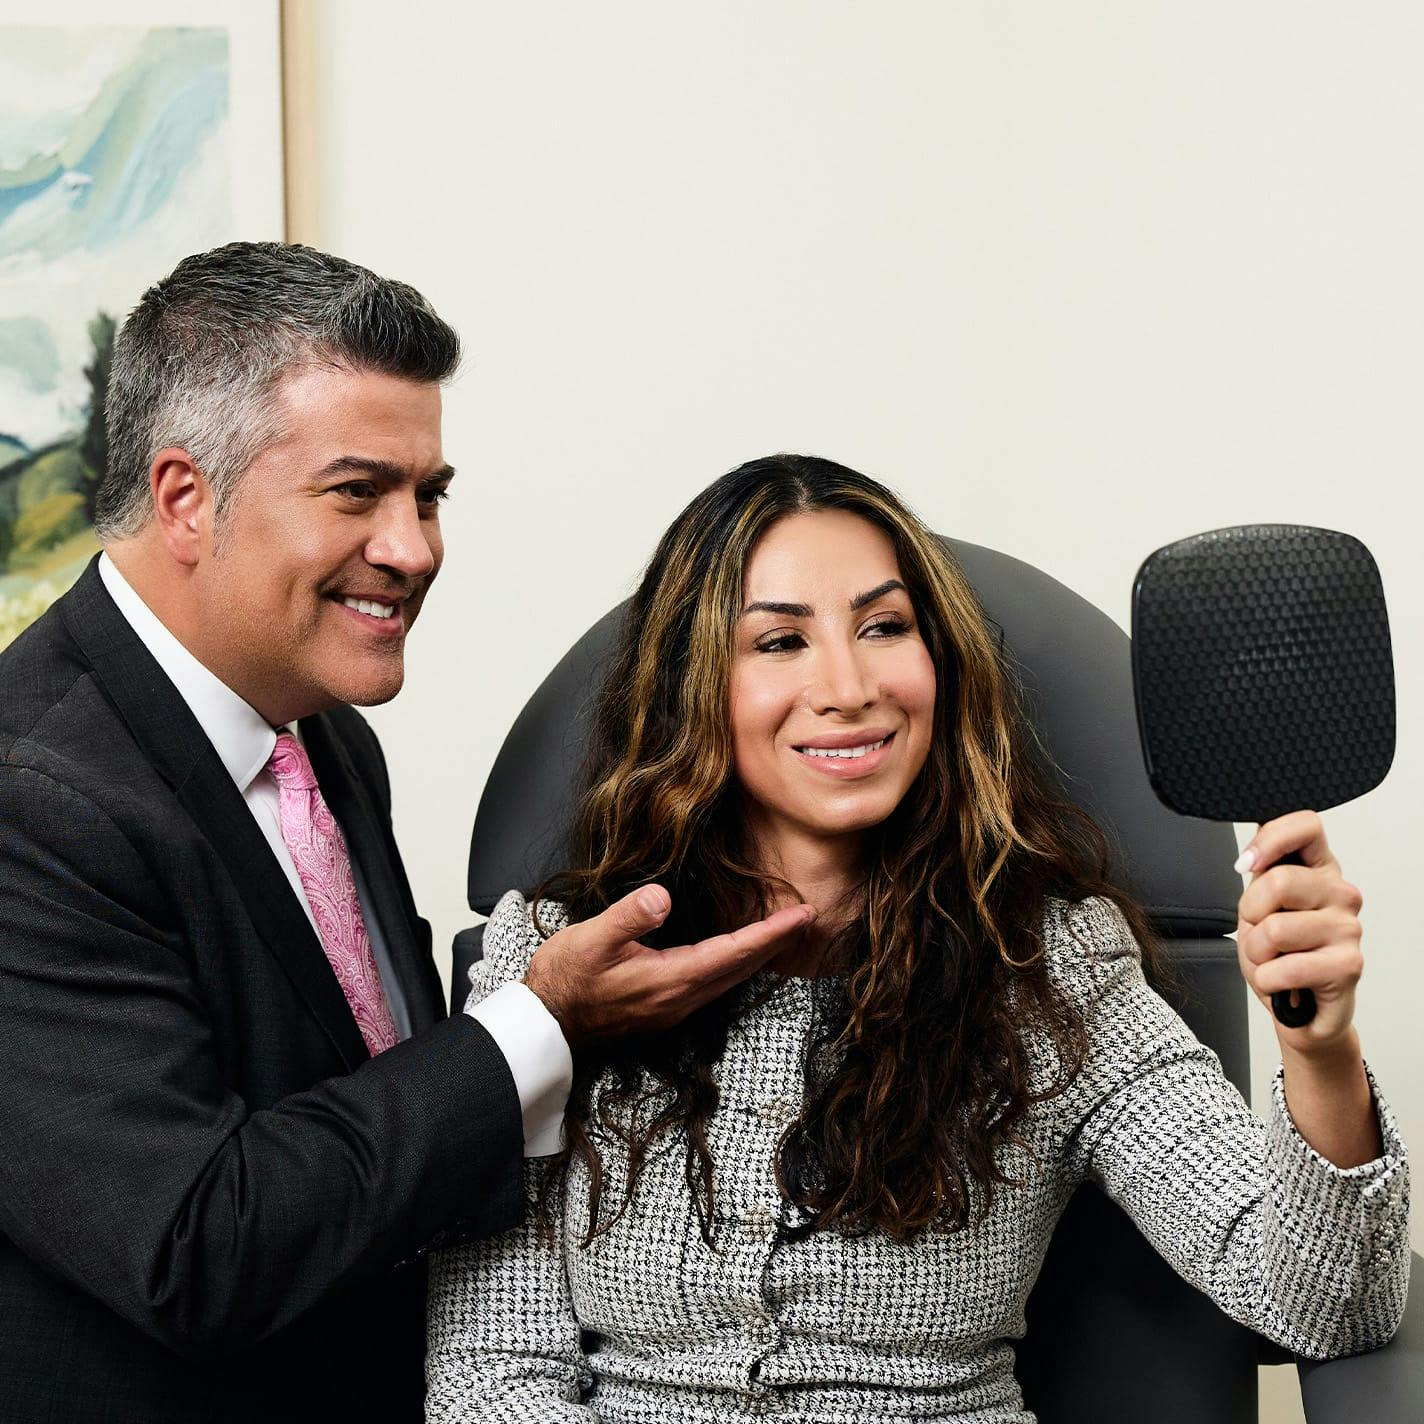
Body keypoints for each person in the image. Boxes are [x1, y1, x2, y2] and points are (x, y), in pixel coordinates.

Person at [0, 245, 812, 1422]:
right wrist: (540, 1018)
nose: (415, 546)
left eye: (428, 493)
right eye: (357, 492)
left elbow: (368, 1116)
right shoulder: (34, 801)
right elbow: (195, 1247)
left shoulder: (322, 732)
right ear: (186, 497)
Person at [425, 454, 1410, 1423]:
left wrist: (1316, 1047)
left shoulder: (1054, 966)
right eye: (778, 641)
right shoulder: (558, 963)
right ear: (693, 684)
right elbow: (487, 1365)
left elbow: (1324, 1305)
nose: (847, 684)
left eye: (883, 625)